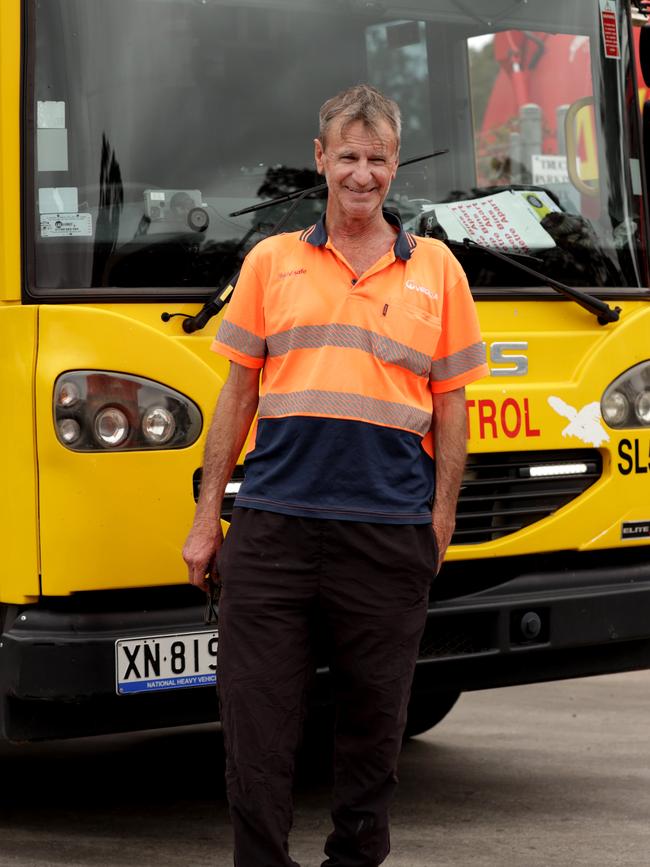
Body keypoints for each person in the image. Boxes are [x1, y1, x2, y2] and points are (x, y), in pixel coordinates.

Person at [183, 84, 488, 867]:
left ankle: (354, 859)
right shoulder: (270, 261)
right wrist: (203, 518)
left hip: (387, 537)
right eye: (347, 156)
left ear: (395, 166)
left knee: (373, 730)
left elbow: (452, 409)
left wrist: (442, 519)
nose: (362, 173)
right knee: (257, 725)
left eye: (377, 158)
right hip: (273, 532)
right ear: (320, 160)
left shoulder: (440, 272)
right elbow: (237, 395)